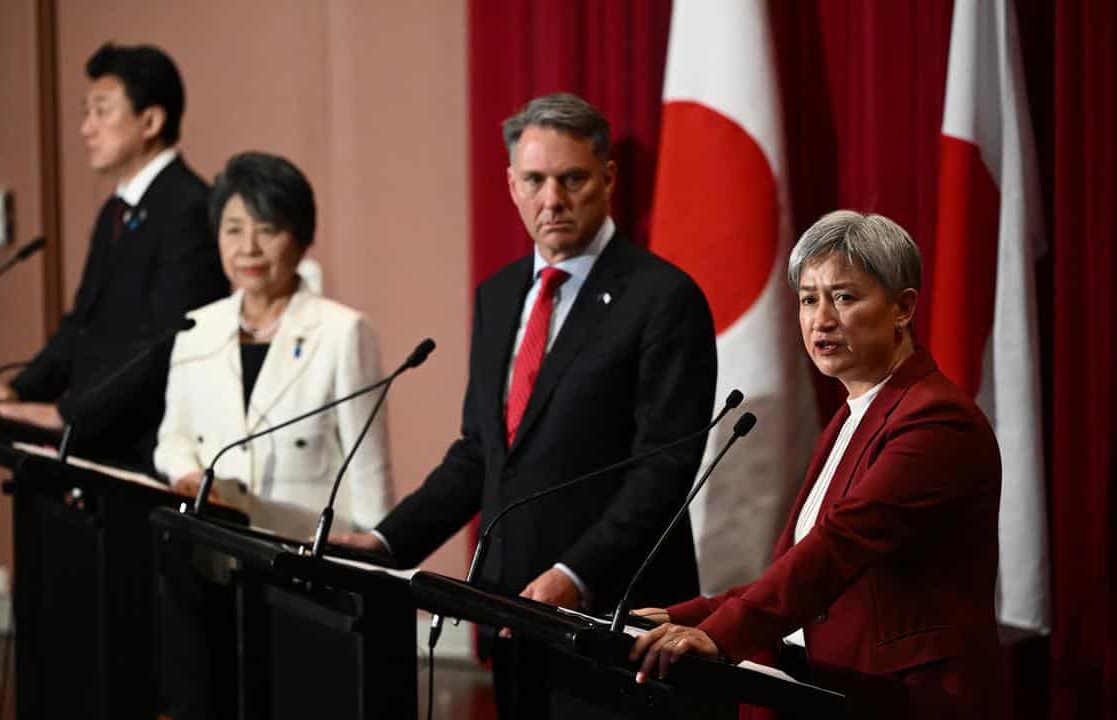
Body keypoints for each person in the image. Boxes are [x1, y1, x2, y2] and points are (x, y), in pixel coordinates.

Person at [332, 92, 717, 716]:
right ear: (511, 184)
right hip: (510, 613)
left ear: (608, 179)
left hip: (617, 624)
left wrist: (575, 575)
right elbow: (482, 455)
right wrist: (385, 543)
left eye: (572, 180)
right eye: (535, 180)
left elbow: (663, 473)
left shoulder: (663, 299)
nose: (552, 200)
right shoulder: (500, 294)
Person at [629, 210, 1007, 718]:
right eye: (809, 299)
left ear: (902, 308)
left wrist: (716, 636)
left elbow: (837, 548)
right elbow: (798, 560)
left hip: (910, 700)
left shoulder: (934, 420)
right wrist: (679, 616)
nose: (820, 319)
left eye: (845, 297)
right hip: (839, 690)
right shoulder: (853, 414)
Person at [0, 43, 228, 469]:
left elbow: (167, 346)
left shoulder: (188, 208)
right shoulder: (115, 210)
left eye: (102, 111)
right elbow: (83, 324)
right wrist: (21, 390)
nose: (85, 128)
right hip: (97, 441)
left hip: (141, 451)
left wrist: (69, 414)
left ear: (151, 121)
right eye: (87, 112)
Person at [153, 151, 394, 535]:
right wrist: (189, 474)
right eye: (233, 229)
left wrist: (374, 564)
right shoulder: (196, 329)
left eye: (267, 229)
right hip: (215, 551)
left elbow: (369, 471)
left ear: (301, 238)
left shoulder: (342, 333)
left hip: (307, 563)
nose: (248, 247)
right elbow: (173, 438)